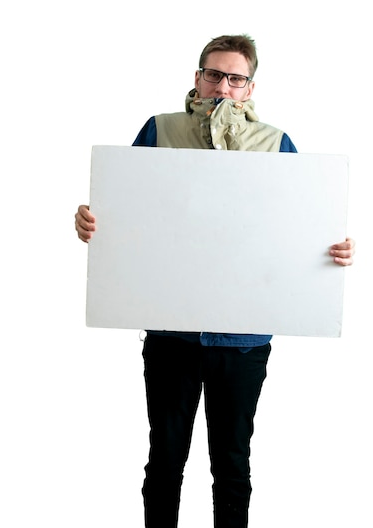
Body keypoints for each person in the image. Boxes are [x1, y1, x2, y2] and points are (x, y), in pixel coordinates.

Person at [75, 34, 355, 528]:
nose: (222, 86)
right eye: (213, 74)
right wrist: (92, 224)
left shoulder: (275, 143)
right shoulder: (159, 130)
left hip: (243, 339)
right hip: (170, 334)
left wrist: (332, 250)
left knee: (231, 466)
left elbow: (295, 229)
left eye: (235, 78)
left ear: (249, 88)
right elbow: (126, 214)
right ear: (197, 77)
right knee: (164, 461)